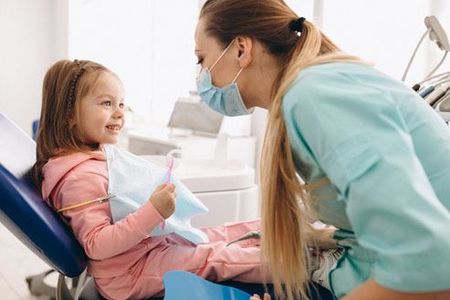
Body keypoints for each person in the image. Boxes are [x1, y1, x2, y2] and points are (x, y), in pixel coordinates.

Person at [194, 1, 450, 300]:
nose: (201, 74)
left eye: (201, 58)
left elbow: (429, 264)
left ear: (241, 49)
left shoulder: (314, 95)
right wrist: (322, 237)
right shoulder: (307, 93)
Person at [31, 59, 273, 299]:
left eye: (122, 104)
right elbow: (97, 244)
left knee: (217, 234)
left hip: (145, 253)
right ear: (69, 115)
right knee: (216, 256)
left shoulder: (91, 158)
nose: (119, 113)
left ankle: (277, 234)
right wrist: (154, 211)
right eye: (107, 103)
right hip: (130, 274)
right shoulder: (79, 178)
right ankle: (293, 264)